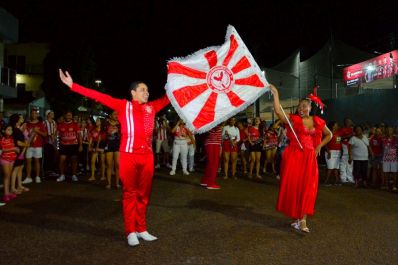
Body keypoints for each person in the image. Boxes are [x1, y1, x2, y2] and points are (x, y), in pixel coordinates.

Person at [59, 69, 170, 247]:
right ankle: (130, 231)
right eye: (143, 89)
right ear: (133, 92)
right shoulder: (123, 105)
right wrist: (73, 86)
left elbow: (171, 97)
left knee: (144, 195)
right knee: (129, 193)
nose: (147, 92)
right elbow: (97, 95)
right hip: (128, 156)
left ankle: (142, 229)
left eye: (148, 90)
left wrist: (185, 83)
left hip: (147, 156)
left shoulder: (153, 107)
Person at [269, 84, 332, 233]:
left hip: (310, 158)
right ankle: (298, 218)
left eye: (304, 106)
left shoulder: (317, 121)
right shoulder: (294, 120)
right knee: (295, 187)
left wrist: (319, 147)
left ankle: (302, 219)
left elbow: (329, 135)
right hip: (295, 157)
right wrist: (276, 93)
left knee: (308, 188)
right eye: (299, 107)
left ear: (310, 107)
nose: (301, 109)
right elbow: (278, 112)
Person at [56, 111, 83, 182]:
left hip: (73, 145)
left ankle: (74, 175)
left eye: (70, 115)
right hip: (63, 145)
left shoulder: (75, 124)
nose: (68, 116)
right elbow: (57, 136)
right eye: (67, 115)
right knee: (62, 159)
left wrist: (80, 145)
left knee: (74, 160)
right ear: (65, 116)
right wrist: (56, 146)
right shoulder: (60, 125)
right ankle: (62, 175)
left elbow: (79, 135)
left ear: (71, 116)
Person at [23, 109, 47, 184]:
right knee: (28, 161)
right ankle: (28, 177)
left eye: (35, 113)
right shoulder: (27, 124)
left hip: (38, 146)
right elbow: (25, 134)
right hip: (28, 145)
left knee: (37, 161)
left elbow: (45, 134)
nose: (34, 115)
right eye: (32, 113)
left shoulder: (40, 124)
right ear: (30, 114)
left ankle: (37, 176)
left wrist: (37, 131)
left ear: (37, 115)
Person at [201, 125, 222, 189]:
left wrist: (220, 146)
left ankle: (205, 180)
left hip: (214, 144)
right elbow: (209, 135)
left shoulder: (216, 124)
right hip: (213, 145)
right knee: (213, 164)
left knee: (210, 164)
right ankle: (211, 183)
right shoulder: (213, 124)